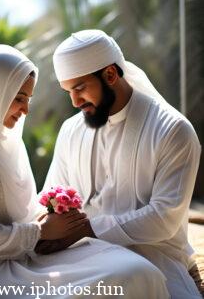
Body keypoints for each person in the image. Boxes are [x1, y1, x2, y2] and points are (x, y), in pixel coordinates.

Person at [0, 45, 169, 299]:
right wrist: (40, 232)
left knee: (136, 268)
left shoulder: (3, 136)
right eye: (19, 98)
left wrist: (51, 219)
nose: (26, 110)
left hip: (24, 251)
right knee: (107, 283)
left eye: (28, 99)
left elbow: (21, 211)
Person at [40, 30, 202, 298]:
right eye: (68, 90)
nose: (74, 101)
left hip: (151, 254)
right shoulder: (70, 129)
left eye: (79, 88)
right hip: (79, 252)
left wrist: (85, 228)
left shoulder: (172, 130)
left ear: (111, 75)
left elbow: (164, 218)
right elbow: (51, 193)